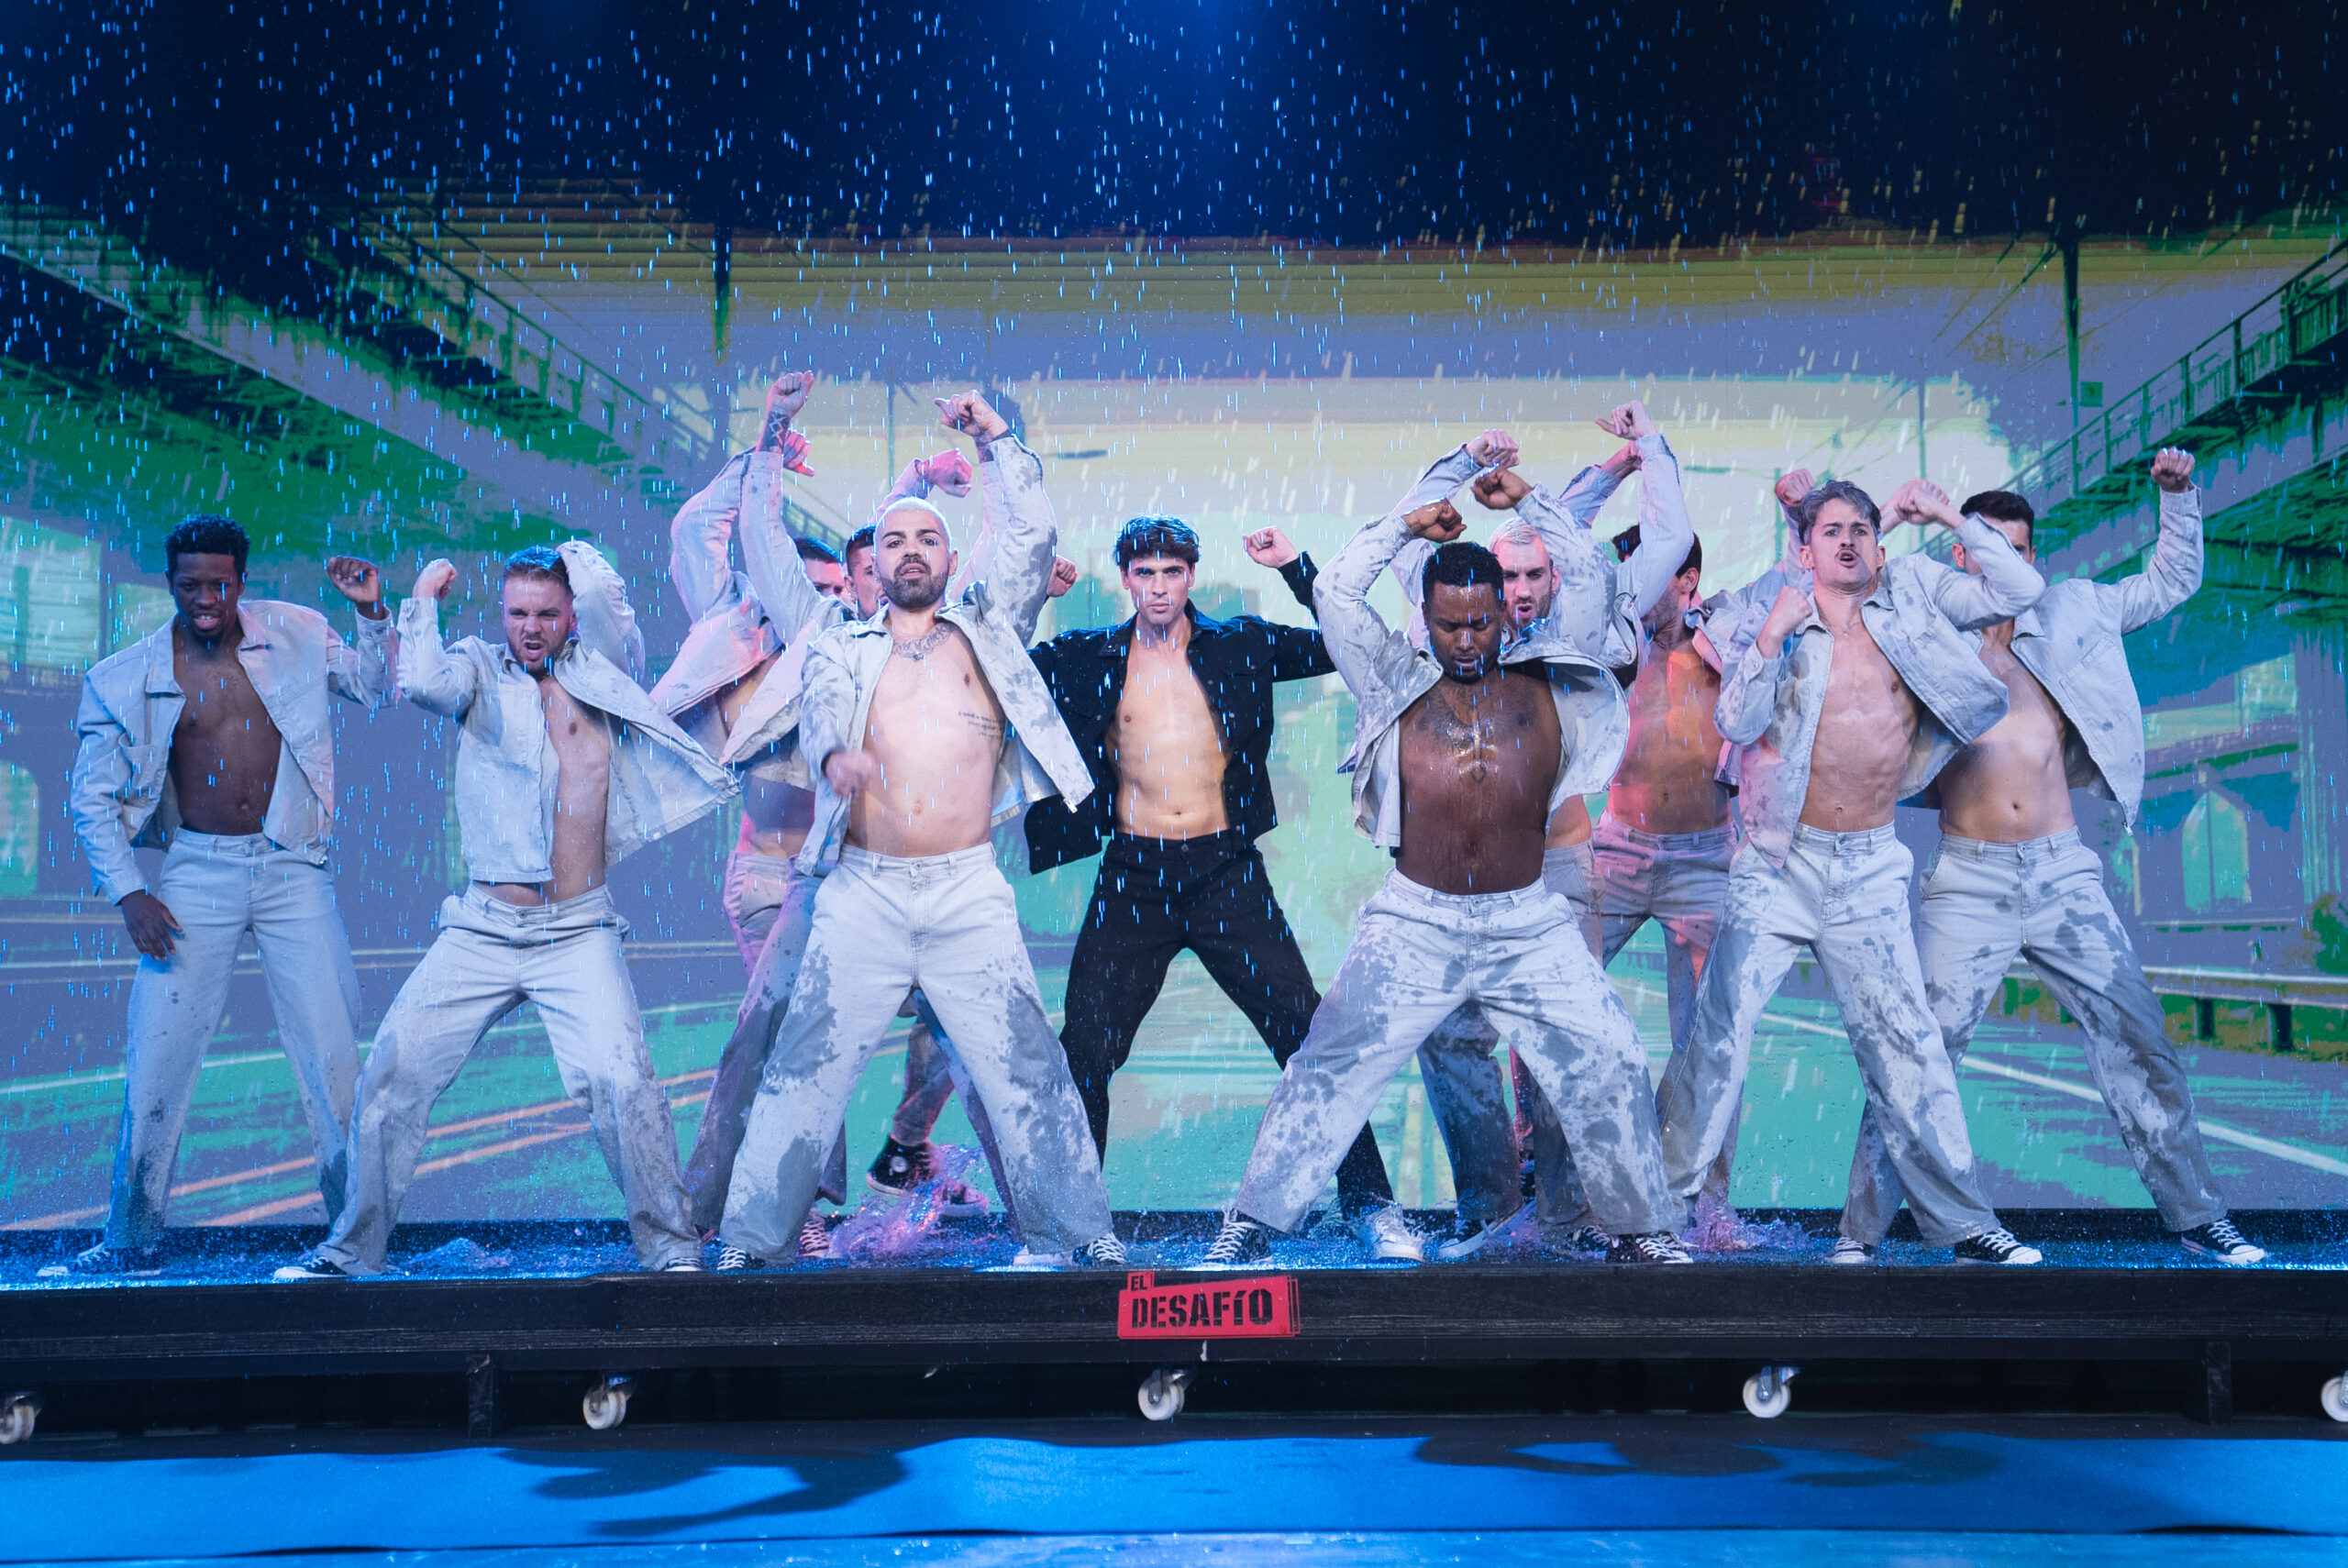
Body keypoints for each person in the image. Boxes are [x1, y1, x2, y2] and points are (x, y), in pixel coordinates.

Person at [1206, 427, 1691, 1269]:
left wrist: (1527, 498)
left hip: (1528, 919)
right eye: (1448, 625)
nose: (1465, 641)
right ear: (1424, 619)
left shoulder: (1551, 670)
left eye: (1479, 624)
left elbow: (1591, 574)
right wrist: (1415, 517)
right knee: (1329, 1062)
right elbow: (1337, 589)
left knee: (1609, 1053)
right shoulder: (1394, 676)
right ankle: (1252, 1223)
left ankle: (1637, 1227)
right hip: (1416, 919)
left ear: (1505, 611)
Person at [713, 391, 1122, 1271]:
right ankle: (750, 1242)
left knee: (1027, 1067)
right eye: (892, 540)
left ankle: (1079, 1236)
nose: (908, 551)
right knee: (803, 1071)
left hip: (966, 889)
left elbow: (1031, 536)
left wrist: (997, 439)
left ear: (949, 557)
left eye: (925, 539)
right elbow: (779, 585)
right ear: (874, 560)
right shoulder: (836, 642)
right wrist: (770, 443)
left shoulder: (988, 631)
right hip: (862, 890)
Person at [1836, 449, 2264, 1266]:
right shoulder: (1925, 629)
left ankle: (2199, 1216)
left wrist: (2178, 498)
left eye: (2018, 548)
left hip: (2063, 874)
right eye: (1984, 543)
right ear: (1961, 554)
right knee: (1920, 1055)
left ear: (2033, 557)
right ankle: (1861, 1233)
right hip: (1969, 879)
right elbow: (1848, 594)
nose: (2003, 559)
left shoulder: (2074, 610)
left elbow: (2169, 582)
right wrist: (1889, 518)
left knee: (2139, 1041)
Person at [274, 541, 735, 1279]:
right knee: (391, 1075)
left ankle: (673, 1252)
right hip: (482, 930)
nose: (530, 628)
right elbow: (422, 685)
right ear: (501, 614)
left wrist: (573, 558)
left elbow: (608, 604)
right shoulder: (477, 667)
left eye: (546, 614)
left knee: (623, 1085)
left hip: (578, 930)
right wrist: (420, 600)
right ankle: (352, 1251)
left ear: (570, 616)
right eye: (518, 613)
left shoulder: (604, 672)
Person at [1656, 477, 2049, 1265]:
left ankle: (1963, 1222)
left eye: (1861, 530)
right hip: (1779, 862)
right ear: (1804, 551)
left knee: (1910, 1049)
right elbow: (1735, 721)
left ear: (1879, 543)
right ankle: (1657, 1218)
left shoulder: (1915, 597)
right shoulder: (1777, 614)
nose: (1847, 541)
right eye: (1830, 531)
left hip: (1868, 866)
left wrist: (1948, 515)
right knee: (1716, 1038)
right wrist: (1769, 640)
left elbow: (2019, 588)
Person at [1026, 514, 1423, 1261]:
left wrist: (1296, 567)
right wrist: (1033, 593)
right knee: (1083, 1049)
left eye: (1172, 572)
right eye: (1145, 573)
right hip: (1134, 877)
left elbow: (1343, 640)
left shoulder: (1242, 642)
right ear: (1126, 578)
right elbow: (993, 659)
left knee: (1307, 1037)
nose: (1159, 588)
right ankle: (1073, 1228)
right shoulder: (1085, 655)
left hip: (1225, 871)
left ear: (1192, 575)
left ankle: (1370, 1205)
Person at [654, 375, 988, 1258]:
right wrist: (765, 441)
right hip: (775, 874)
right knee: (788, 1038)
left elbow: (897, 557)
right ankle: (756, 1207)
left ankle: (907, 1151)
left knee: (955, 1022)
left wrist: (923, 477)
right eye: (831, 580)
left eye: (852, 579)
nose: (849, 588)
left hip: (863, 873)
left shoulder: (872, 645)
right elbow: (715, 533)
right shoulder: (747, 630)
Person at [1384, 409, 1693, 1257]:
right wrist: (1462, 461)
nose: (1518, 590)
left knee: (1565, 1045)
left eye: (1533, 573)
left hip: (1555, 867)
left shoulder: (1582, 630)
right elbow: (1407, 534)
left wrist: (1633, 459)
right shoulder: (1449, 627)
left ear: (1555, 574)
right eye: (1506, 574)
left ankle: (1568, 1218)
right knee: (1448, 1037)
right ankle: (1490, 1211)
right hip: (1451, 875)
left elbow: (1662, 540)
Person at [55, 519, 390, 1275]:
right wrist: (128, 894)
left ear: (241, 581)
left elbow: (375, 688)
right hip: (195, 873)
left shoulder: (297, 632)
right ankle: (130, 1239)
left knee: (334, 1055)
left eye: (219, 585)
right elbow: (90, 800)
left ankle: (356, 1240)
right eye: (190, 586)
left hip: (293, 865)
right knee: (158, 1055)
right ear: (170, 584)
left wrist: (371, 613)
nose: (205, 599)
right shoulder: (126, 676)